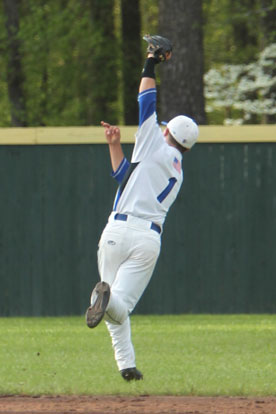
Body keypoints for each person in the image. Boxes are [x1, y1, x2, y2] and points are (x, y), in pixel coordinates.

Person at [85, 35, 199, 382]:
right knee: (118, 306)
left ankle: (107, 312)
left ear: (167, 133)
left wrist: (152, 60)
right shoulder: (177, 171)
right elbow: (125, 175)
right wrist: (115, 145)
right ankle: (127, 367)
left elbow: (146, 100)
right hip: (148, 239)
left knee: (114, 306)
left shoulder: (154, 142)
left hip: (117, 231)